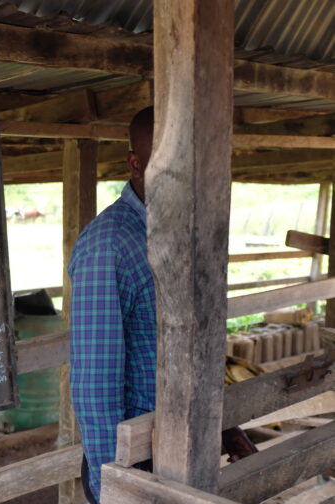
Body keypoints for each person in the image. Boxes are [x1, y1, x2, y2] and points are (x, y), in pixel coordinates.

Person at [68, 107, 254, 502]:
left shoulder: (179, 232)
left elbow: (187, 347)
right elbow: (95, 385)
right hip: (137, 462)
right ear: (136, 163)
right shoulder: (111, 245)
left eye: (193, 163)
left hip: (182, 445)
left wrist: (221, 427)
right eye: (171, 165)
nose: (186, 177)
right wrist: (113, 485)